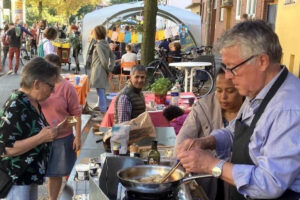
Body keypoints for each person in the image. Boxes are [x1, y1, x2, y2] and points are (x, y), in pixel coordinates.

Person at [177, 20, 300, 199]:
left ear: (262, 61)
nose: (227, 75)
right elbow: (236, 130)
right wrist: (208, 141)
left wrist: (211, 165)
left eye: (232, 67)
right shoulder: (258, 92)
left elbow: (270, 183)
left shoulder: (288, 109)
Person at [175, 69, 244, 200]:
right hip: (206, 183)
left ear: (242, 88)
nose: (223, 97)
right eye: (218, 90)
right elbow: (183, 140)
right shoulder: (204, 106)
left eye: (230, 91)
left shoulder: (250, 111)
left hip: (239, 185)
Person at [0, 57, 61, 200]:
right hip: (17, 179)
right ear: (37, 84)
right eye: (51, 87)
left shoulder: (32, 102)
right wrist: (41, 137)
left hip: (28, 177)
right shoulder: (16, 105)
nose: (52, 92)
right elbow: (5, 149)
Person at [40, 54, 82, 200]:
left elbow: (75, 114)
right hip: (41, 138)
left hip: (62, 139)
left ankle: (55, 198)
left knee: (58, 174)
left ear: (58, 69)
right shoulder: (39, 84)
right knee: (49, 173)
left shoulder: (67, 88)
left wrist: (74, 134)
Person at [89, 25, 115, 121]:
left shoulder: (99, 45)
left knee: (101, 92)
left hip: (98, 71)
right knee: (102, 91)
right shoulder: (106, 44)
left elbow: (103, 61)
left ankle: (103, 114)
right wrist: (111, 68)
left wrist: (108, 70)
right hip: (102, 71)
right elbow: (113, 57)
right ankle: (102, 110)